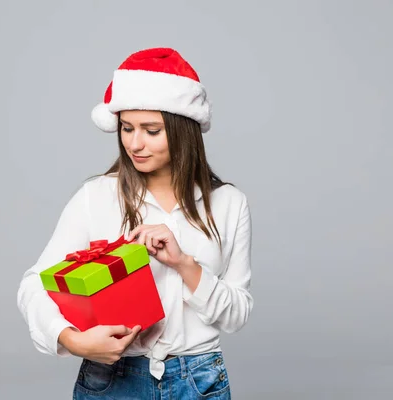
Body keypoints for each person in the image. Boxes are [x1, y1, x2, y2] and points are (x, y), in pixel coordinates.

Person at [17, 47, 253, 399]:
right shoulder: (97, 196)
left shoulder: (229, 203)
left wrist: (184, 264)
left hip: (199, 380)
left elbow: (236, 315)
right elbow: (33, 285)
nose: (135, 143)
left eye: (151, 130)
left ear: (183, 130)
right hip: (112, 379)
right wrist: (72, 339)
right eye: (127, 128)